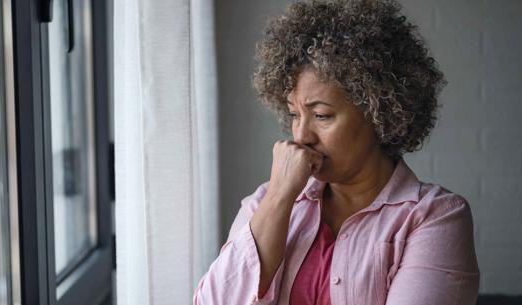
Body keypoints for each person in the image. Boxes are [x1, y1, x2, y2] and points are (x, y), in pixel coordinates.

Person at [192, 1, 479, 305]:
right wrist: (279, 196)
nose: (301, 135)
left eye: (322, 115)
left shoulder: (433, 217)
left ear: (378, 111)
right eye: (294, 115)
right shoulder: (266, 202)